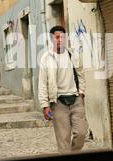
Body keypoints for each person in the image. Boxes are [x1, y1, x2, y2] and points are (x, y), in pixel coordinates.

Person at [38, 25, 88, 153]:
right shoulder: (46, 58)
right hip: (58, 103)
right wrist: (45, 106)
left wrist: (81, 93)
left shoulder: (73, 55)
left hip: (76, 99)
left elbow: (81, 74)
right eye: (57, 37)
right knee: (63, 138)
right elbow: (43, 84)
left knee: (81, 133)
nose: (60, 40)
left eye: (63, 37)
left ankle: (73, 154)